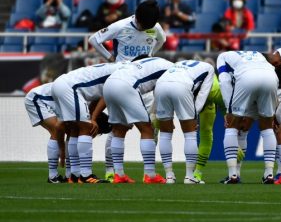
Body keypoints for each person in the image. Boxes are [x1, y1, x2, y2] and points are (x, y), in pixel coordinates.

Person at [103, 56, 174, 184]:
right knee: (147, 128)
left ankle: (118, 174)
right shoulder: (172, 69)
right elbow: (161, 93)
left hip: (109, 84)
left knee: (119, 129)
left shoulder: (144, 64)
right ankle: (150, 175)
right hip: (126, 85)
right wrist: (156, 114)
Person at [51, 62, 120, 183]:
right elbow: (106, 96)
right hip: (70, 87)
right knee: (85, 128)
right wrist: (92, 119)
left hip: (60, 84)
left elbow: (99, 97)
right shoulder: (124, 72)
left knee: (74, 129)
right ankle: (85, 175)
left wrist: (92, 116)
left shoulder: (116, 67)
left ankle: (74, 175)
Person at [217, 51, 279, 184]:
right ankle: (269, 174)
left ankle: (232, 174)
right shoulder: (258, 54)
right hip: (271, 77)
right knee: (267, 128)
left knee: (232, 126)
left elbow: (224, 81)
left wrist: (229, 110)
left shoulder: (223, 56)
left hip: (247, 77)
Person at [154, 60, 214, 184]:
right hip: (182, 86)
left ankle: (169, 176)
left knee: (165, 133)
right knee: (190, 134)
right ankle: (189, 176)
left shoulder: (179, 62)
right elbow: (203, 94)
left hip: (160, 86)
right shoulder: (209, 68)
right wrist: (194, 116)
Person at [88, 0, 166, 62]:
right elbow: (93, 39)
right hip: (122, 72)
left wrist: (151, 54)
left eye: (147, 28)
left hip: (144, 71)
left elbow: (162, 40)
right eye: (142, 27)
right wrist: (110, 57)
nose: (143, 30)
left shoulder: (156, 27)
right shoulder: (120, 26)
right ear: (137, 18)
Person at [24, 83, 66, 183]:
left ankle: (68, 175)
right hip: (37, 97)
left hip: (49, 98)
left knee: (65, 130)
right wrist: (62, 149)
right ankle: (52, 176)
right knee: (57, 131)